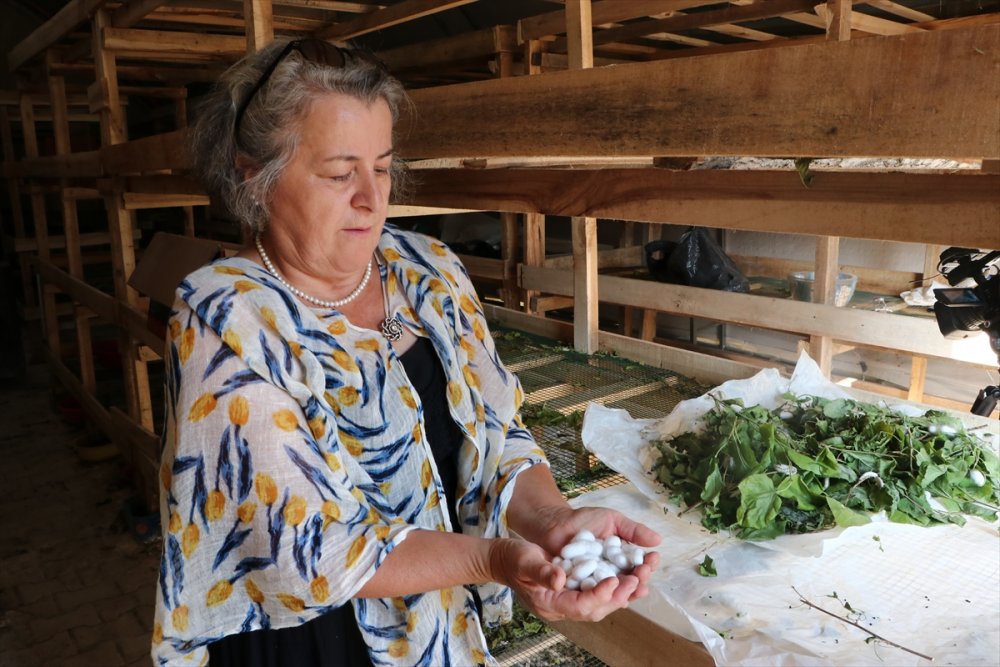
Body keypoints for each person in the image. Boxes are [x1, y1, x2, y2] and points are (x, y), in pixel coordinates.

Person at [151, 38, 661, 666]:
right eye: (340, 174)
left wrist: (552, 519)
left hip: (436, 623)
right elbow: (309, 550)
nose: (372, 196)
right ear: (255, 173)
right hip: (314, 641)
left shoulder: (428, 272)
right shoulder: (227, 319)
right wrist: (494, 559)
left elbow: (498, 431)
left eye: (383, 167)